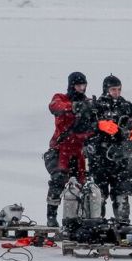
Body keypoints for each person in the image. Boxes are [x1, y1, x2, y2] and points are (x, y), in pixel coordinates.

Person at [86, 74, 132, 222]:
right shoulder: (95, 107)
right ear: (106, 89)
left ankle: (122, 224)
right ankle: (96, 224)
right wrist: (98, 125)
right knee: (98, 195)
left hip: (122, 158)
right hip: (100, 157)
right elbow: (82, 126)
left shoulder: (126, 106)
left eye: (119, 89)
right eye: (113, 89)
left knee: (122, 194)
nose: (116, 92)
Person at [44, 72, 96, 227]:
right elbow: (54, 106)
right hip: (61, 150)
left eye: (84, 85)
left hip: (79, 152)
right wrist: (73, 106)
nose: (82, 88)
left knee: (83, 185)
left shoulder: (88, 104)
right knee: (58, 180)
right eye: (79, 85)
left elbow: (94, 127)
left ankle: (77, 218)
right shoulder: (61, 98)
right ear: (72, 86)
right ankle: (51, 216)